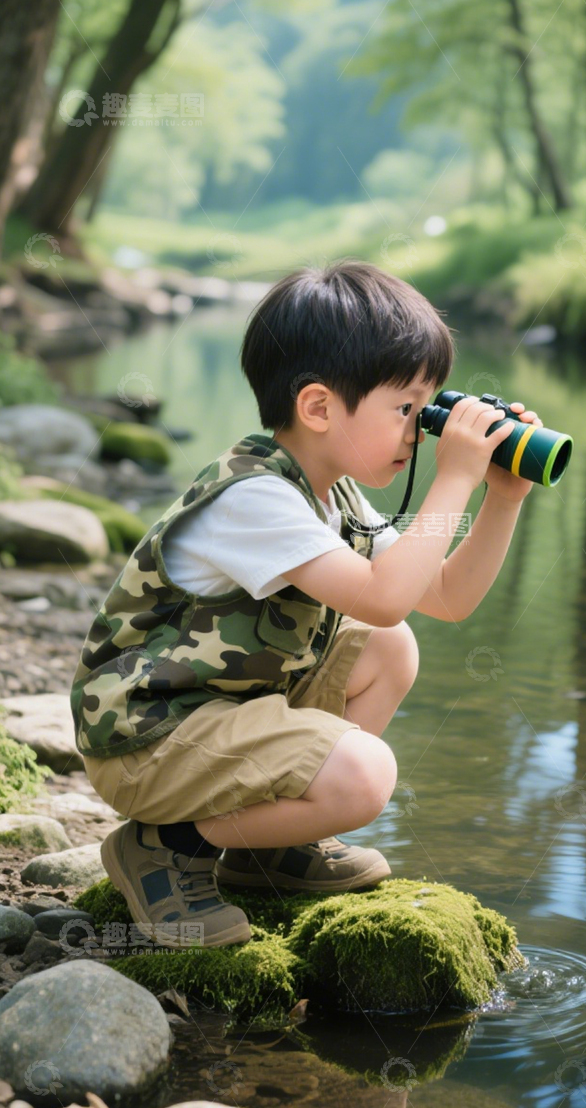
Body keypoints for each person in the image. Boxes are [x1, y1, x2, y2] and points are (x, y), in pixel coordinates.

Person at [70, 259, 542, 948]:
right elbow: (384, 597)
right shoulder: (254, 496)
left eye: (429, 408)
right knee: (367, 774)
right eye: (409, 408)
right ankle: (166, 848)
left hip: (208, 720)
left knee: (389, 649)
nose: (425, 431)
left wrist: (501, 496)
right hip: (147, 740)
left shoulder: (332, 492)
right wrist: (455, 481)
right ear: (318, 407)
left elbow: (441, 596)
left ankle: (268, 849)